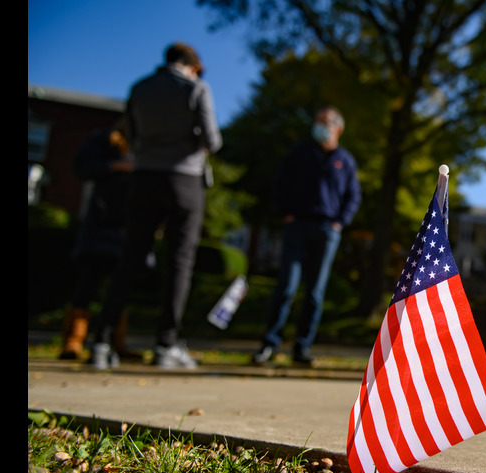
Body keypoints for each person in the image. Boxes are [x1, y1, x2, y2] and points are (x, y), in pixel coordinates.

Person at [90, 42, 222, 369]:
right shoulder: (196, 88)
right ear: (192, 65)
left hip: (145, 177)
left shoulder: (140, 89)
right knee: (179, 262)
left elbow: (130, 135)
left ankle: (101, 342)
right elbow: (213, 140)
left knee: (130, 257)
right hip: (184, 180)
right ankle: (166, 344)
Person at [251, 106, 361, 367]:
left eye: (326, 122)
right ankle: (269, 344)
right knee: (286, 286)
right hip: (297, 225)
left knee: (315, 292)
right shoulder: (300, 153)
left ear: (338, 128)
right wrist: (286, 213)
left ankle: (302, 347)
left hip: (327, 230)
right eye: (317, 121)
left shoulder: (345, 160)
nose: (320, 126)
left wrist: (339, 223)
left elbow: (353, 195)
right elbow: (281, 184)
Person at [58, 120, 140, 360]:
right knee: (88, 281)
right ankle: (73, 342)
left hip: (131, 224)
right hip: (102, 221)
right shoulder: (106, 141)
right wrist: (116, 166)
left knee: (122, 285)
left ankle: (115, 342)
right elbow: (82, 167)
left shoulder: (152, 144)